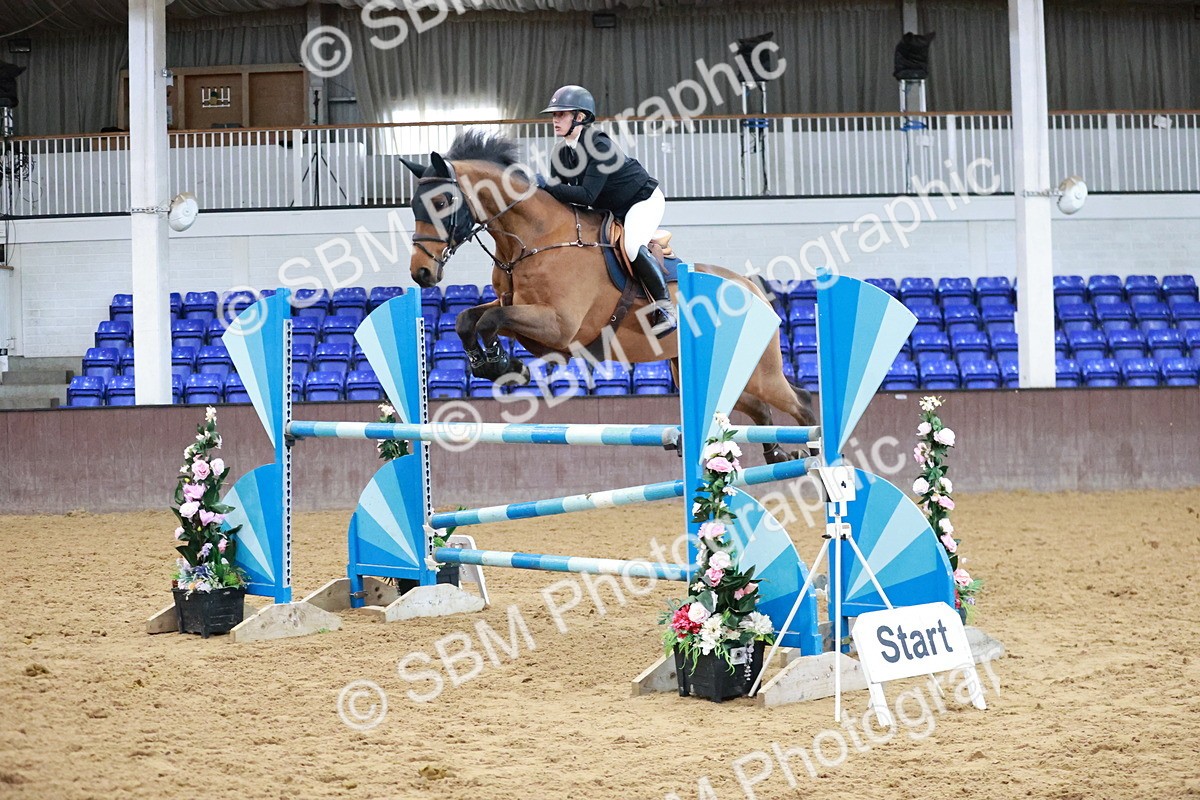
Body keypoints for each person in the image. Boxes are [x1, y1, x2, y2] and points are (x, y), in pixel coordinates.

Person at [536, 85, 676, 338]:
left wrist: (546, 185)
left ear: (580, 117)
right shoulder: (561, 153)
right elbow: (559, 199)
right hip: (610, 208)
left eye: (561, 114)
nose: (555, 120)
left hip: (641, 201)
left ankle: (665, 309)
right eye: (554, 115)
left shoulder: (599, 146)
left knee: (631, 246)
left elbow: (586, 195)